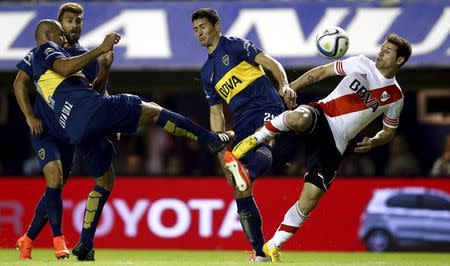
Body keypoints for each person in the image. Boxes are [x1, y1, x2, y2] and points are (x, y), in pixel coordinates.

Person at [29, 18, 233, 259]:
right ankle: (209, 138)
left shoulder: (49, 76)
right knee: (154, 111)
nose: (64, 40)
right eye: (60, 35)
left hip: (77, 129)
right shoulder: (46, 49)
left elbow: (87, 90)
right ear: (47, 36)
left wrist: (103, 69)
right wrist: (100, 48)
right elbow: (63, 68)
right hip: (89, 111)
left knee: (104, 181)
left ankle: (84, 244)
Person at [228, 34, 412, 261]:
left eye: (388, 51)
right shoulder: (361, 63)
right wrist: (291, 87)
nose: (381, 52)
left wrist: (375, 140)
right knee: (299, 118)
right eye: (382, 47)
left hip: (337, 141)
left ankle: (271, 247)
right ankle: (255, 139)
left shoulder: (395, 96)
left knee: (310, 199)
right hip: (322, 114)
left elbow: (389, 131)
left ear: (400, 60)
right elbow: (322, 72)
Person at [191, 8, 296, 262]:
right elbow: (216, 114)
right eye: (195, 29)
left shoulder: (236, 46)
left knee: (265, 140)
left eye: (203, 27)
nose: (199, 33)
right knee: (240, 189)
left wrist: (283, 84)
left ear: (217, 26)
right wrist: (221, 154)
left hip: (266, 105)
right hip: (241, 121)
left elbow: (272, 63)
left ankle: (246, 173)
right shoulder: (207, 72)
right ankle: (260, 252)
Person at [14, 3, 109, 260]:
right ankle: (59, 241)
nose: (74, 25)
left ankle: (27, 238)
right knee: (54, 177)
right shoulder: (42, 51)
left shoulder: (86, 58)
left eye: (78, 21)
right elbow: (19, 83)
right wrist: (29, 115)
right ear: (59, 25)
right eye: (69, 21)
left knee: (55, 187)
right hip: (45, 129)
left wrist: (104, 70)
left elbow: (96, 93)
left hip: (68, 133)